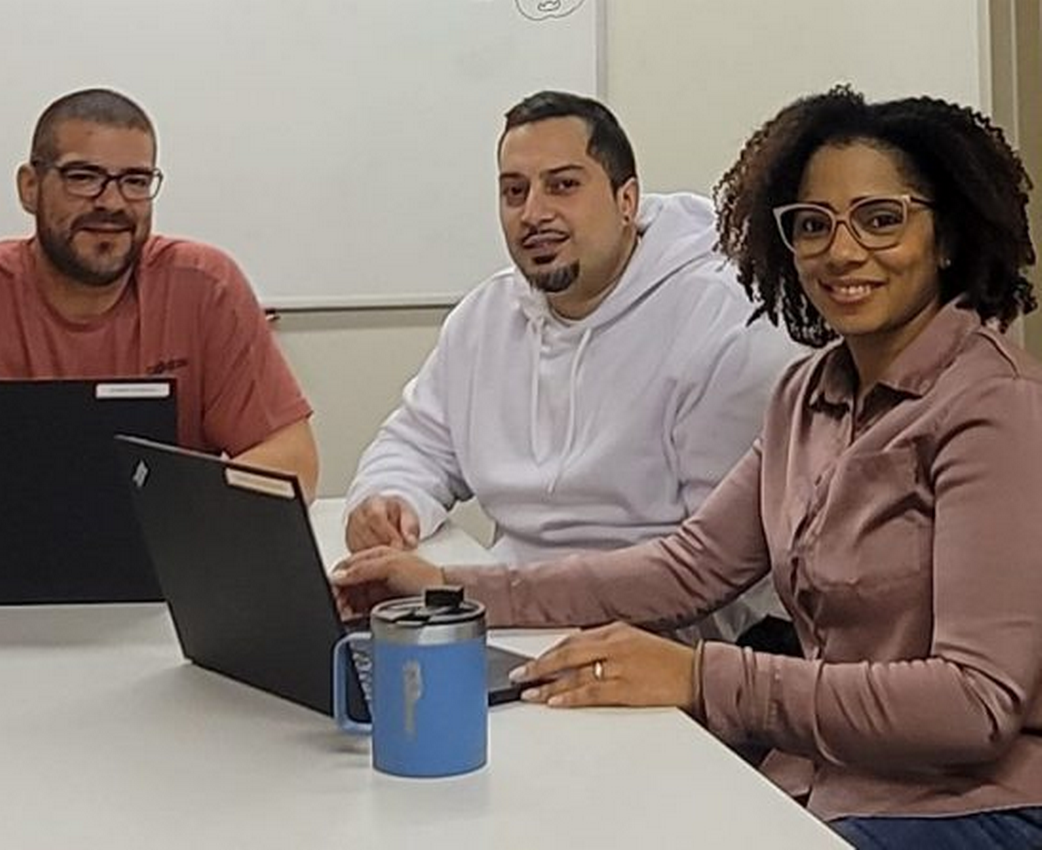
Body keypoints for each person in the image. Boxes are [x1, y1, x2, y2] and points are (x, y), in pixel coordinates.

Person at [333, 86, 1042, 846]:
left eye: (881, 219)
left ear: (945, 237)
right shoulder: (811, 392)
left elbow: (973, 703)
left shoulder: (995, 406)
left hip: (965, 805)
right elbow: (684, 568)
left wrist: (700, 677)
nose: (842, 252)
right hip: (815, 775)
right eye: (812, 225)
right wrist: (448, 590)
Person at [344, 91, 798, 644]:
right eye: (515, 191)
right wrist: (389, 499)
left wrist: (465, 593)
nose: (533, 213)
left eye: (563, 185)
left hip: (647, 640)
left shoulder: (725, 325)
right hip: (505, 617)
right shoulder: (486, 317)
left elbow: (715, 576)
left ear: (626, 199)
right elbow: (416, 442)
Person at [0, 88, 318, 500]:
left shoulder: (203, 286)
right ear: (30, 187)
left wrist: (166, 508)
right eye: (84, 177)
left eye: (136, 181)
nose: (112, 202)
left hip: (169, 553)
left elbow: (294, 461)